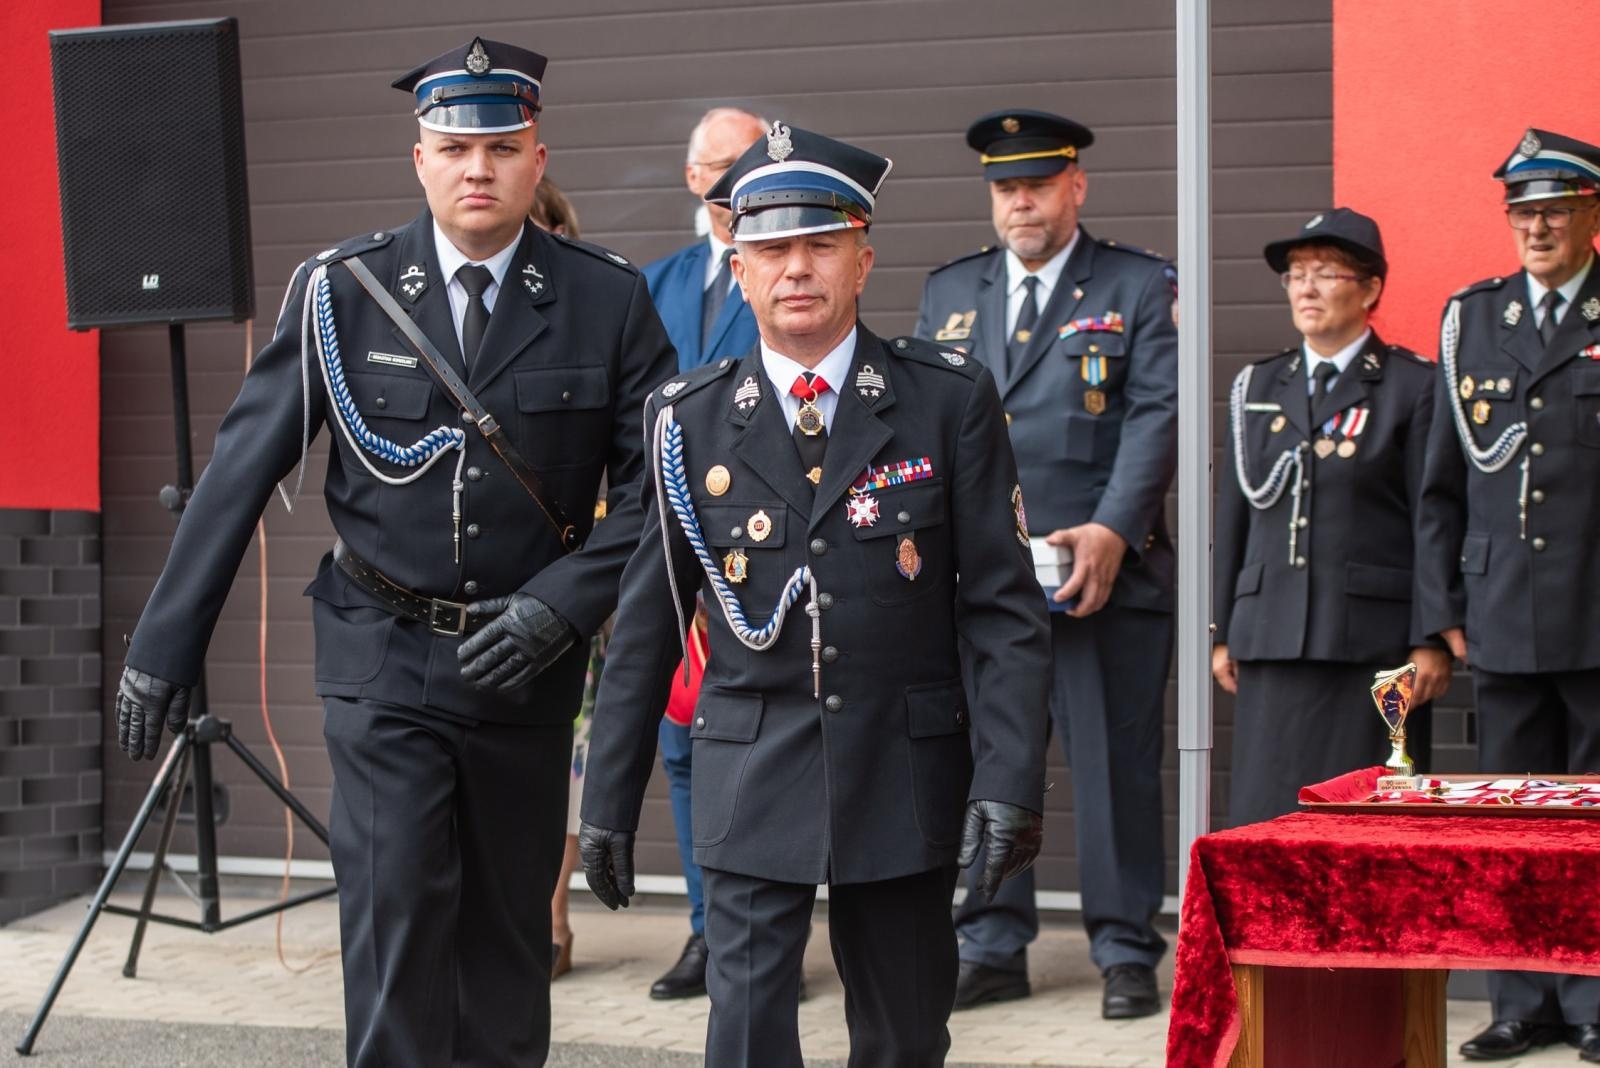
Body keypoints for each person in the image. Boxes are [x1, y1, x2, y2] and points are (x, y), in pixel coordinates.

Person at [111, 37, 676, 1067]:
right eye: (454, 146)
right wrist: (164, 645)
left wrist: (566, 603)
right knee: (398, 919)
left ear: (537, 159)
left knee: (507, 943)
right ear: (417, 158)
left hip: (524, 665)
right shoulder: (345, 292)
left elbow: (657, 494)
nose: (477, 168)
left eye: (501, 147)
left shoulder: (608, 300)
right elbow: (237, 473)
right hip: (382, 660)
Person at [578, 122, 1052, 1068]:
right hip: (752, 772)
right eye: (771, 249)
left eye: (820, 244)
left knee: (905, 1036)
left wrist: (1008, 782)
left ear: (863, 259)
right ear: (740, 268)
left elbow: (1003, 612)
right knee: (747, 1038)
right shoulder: (687, 419)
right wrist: (608, 797)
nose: (797, 268)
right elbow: (648, 622)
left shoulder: (946, 399)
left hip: (904, 771)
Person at [914, 108, 1177, 1018]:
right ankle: (990, 941)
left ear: (1076, 186)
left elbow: (1155, 414)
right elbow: (924, 432)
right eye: (1004, 187)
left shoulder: (1140, 286)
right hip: (984, 587)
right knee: (990, 759)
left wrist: (1112, 528)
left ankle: (1124, 948)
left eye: (1036, 183)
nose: (1019, 202)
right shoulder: (951, 294)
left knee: (1113, 770)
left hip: (1107, 575)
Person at [1416, 128, 1600, 1064]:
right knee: (1513, 814)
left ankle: (1595, 997)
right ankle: (1521, 1000)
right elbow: (1440, 487)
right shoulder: (1472, 321)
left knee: (1595, 816)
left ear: (1590, 217)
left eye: (1554, 211)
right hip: (1502, 617)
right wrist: (1436, 615)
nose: (1536, 227)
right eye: (1523, 213)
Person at [1212, 208, 1450, 826]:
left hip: (1370, 645)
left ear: (1370, 289)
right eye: (1295, 274)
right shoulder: (1257, 386)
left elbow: (1432, 518)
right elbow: (1234, 514)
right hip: (1269, 634)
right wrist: (1222, 629)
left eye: (1325, 273)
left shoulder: (1413, 386)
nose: (1306, 288)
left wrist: (1430, 639)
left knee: (1363, 820)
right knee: (1267, 816)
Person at [637, 106, 766, 1000]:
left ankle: (762, 941)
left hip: (756, 560)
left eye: (745, 163)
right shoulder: (654, 284)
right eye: (715, 167)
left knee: (758, 750)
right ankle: (706, 933)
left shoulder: (783, 271)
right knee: (680, 749)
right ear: (692, 180)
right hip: (665, 558)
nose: (727, 181)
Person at [642, 107, 765, 371]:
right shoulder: (653, 284)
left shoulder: (795, 276)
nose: (739, 178)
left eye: (752, 164)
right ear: (693, 177)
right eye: (726, 165)